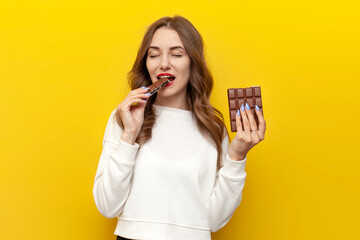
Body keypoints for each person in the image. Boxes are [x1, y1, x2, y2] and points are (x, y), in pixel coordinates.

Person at [92, 15, 266, 240]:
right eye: (154, 54)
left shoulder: (213, 128)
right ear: (146, 63)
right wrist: (129, 135)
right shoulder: (125, 117)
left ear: (192, 62)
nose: (164, 63)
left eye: (176, 54)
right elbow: (106, 206)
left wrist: (237, 156)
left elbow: (214, 220)